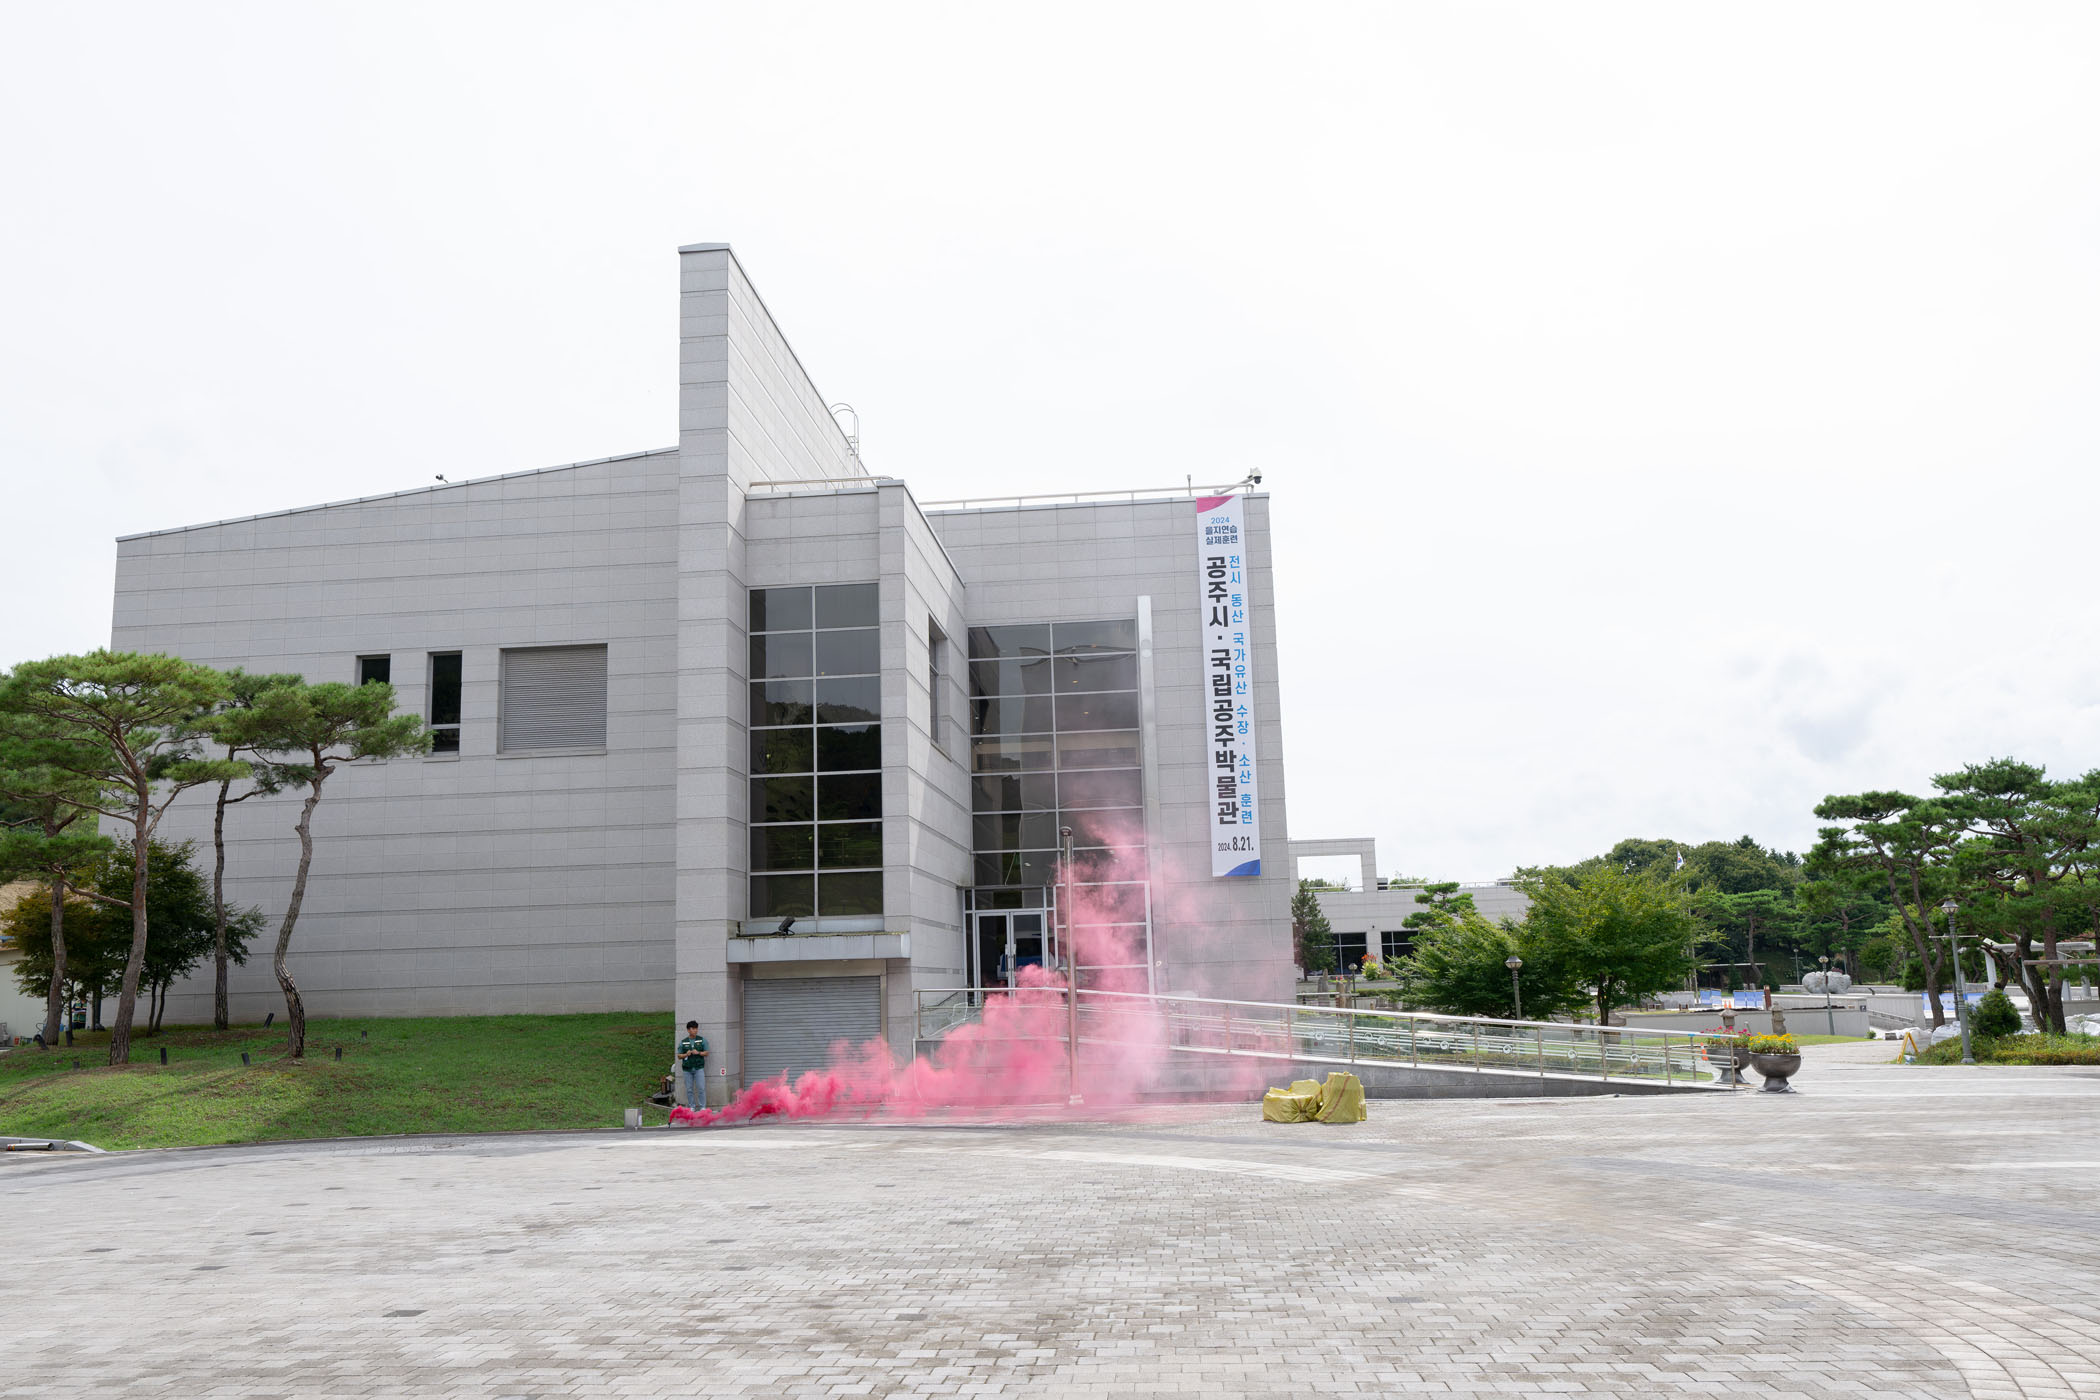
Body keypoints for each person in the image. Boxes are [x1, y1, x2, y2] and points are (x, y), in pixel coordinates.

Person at [676, 1020, 708, 1109]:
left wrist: (699, 1052)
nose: (695, 1030)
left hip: (699, 1068)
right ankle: (692, 1106)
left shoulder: (702, 1040)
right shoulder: (683, 1042)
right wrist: (686, 1054)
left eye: (696, 1028)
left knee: (701, 1088)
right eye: (693, 1029)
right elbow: (679, 1056)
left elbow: (706, 1053)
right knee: (689, 1089)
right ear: (688, 1030)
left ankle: (702, 1107)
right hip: (687, 1069)